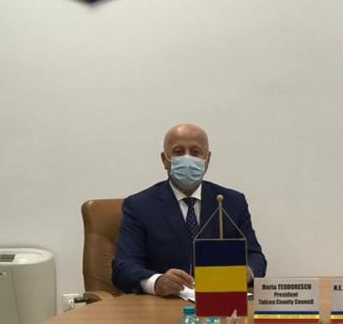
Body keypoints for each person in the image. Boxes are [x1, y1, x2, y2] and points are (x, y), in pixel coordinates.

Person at [112, 123, 267, 296]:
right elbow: (123, 267)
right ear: (165, 160)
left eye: (195, 152)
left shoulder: (232, 202)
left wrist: (246, 273)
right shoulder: (139, 206)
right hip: (163, 303)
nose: (188, 159)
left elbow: (255, 256)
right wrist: (156, 282)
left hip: (220, 301)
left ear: (207, 159)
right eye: (179, 152)